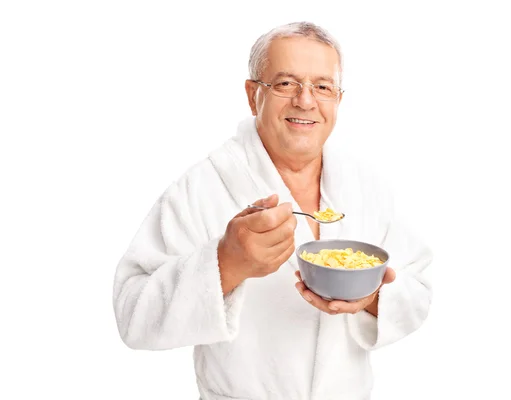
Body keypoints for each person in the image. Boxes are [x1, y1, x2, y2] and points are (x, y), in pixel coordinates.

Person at [113, 21, 433, 400]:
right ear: (253, 96)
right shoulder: (202, 186)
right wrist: (224, 264)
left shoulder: (366, 187)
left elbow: (419, 288)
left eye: (323, 86)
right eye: (285, 83)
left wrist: (373, 298)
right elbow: (133, 316)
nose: (306, 100)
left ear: (338, 100)